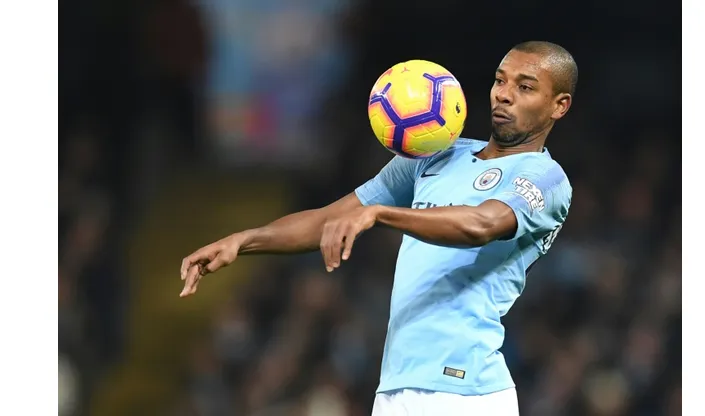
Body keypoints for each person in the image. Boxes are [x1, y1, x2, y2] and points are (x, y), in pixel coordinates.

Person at [179, 40, 578, 415]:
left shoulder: (545, 178)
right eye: (500, 80)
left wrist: (382, 214)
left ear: (559, 105)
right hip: (395, 388)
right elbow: (330, 218)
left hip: (467, 389)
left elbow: (482, 223)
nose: (503, 94)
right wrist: (245, 240)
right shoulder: (434, 155)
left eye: (525, 87)